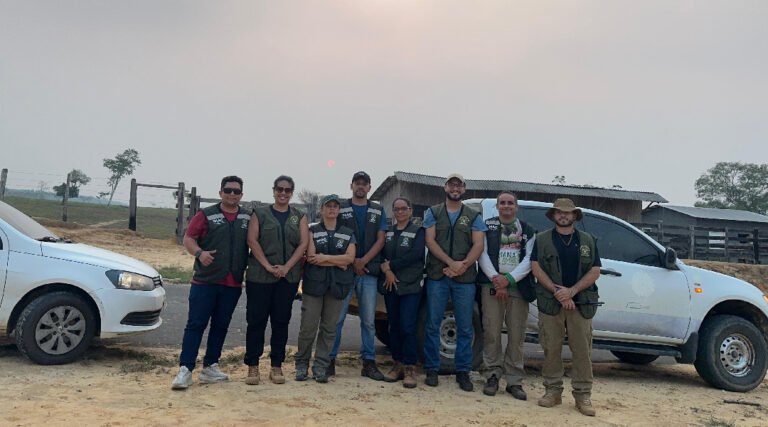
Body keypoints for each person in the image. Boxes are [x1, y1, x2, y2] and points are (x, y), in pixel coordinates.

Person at [172, 176, 250, 390]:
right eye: (228, 190)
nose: (232, 194)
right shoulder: (205, 215)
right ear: (220, 192)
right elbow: (189, 238)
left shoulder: (247, 217)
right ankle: (185, 369)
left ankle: (210, 367)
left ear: (241, 195)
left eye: (236, 191)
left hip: (232, 282)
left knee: (221, 326)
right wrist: (199, 253)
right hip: (205, 281)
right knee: (196, 324)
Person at [531, 198, 601, 416]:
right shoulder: (541, 239)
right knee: (551, 347)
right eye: (559, 212)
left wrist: (572, 291)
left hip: (580, 303)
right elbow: (536, 267)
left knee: (582, 349)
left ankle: (583, 395)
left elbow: (595, 270)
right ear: (553, 216)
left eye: (568, 213)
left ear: (574, 216)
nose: (563, 215)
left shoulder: (588, 240)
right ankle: (552, 391)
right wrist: (558, 293)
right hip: (551, 302)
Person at [422, 173, 487, 392]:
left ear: (464, 189)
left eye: (459, 185)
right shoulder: (432, 212)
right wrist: (451, 263)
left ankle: (463, 371)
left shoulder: (473, 215)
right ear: (445, 187)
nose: (455, 188)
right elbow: (430, 241)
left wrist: (463, 265)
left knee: (465, 327)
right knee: (432, 324)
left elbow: (478, 244)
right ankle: (432, 369)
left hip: (465, 279)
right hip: (438, 276)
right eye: (452, 184)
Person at [243, 175, 309, 385]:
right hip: (260, 276)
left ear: (292, 192)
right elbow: (252, 240)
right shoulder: (260, 213)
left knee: (281, 321)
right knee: (256, 322)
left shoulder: (299, 216)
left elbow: (303, 244)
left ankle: (276, 366)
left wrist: (287, 267)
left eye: (287, 190)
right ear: (273, 190)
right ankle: (253, 366)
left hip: (287, 278)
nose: (283, 193)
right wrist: (267, 266)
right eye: (279, 189)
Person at [477, 191, 537, 399]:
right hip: (491, 284)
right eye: (502, 203)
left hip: (518, 287)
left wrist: (509, 280)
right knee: (492, 331)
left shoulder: (527, 229)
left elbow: (530, 258)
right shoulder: (487, 226)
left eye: (510, 203)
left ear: (516, 206)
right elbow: (481, 253)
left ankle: (514, 381)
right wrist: (496, 278)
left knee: (516, 334)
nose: (506, 206)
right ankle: (492, 374)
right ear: (497, 206)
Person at [329, 171, 388, 381]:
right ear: (351, 185)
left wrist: (363, 261)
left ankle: (369, 363)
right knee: (337, 318)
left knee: (369, 321)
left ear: (369, 187)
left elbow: (381, 239)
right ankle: (329, 360)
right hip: (345, 270)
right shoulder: (341, 207)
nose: (360, 187)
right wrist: (352, 260)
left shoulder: (378, 209)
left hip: (369, 272)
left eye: (364, 184)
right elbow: (333, 233)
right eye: (357, 183)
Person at [295, 194, 357, 383]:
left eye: (335, 206)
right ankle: (302, 365)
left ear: (339, 210)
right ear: (321, 210)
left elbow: (350, 259)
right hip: (314, 285)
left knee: (329, 329)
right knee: (308, 327)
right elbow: (312, 256)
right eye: (328, 206)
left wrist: (325, 259)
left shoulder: (348, 232)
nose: (331, 209)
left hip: (337, 286)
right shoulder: (312, 231)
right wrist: (337, 261)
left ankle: (320, 366)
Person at [379, 197, 425, 388]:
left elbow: (416, 254)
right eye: (396, 209)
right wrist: (387, 271)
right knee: (394, 326)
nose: (400, 212)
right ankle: (397, 363)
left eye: (403, 209)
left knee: (408, 326)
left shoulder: (418, 231)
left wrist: (392, 265)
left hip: (411, 285)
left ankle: (410, 367)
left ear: (410, 210)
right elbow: (381, 253)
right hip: (391, 285)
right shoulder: (388, 231)